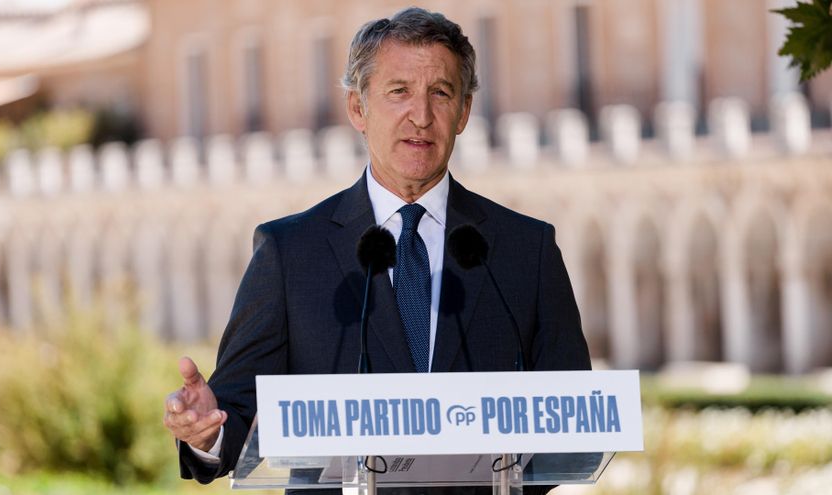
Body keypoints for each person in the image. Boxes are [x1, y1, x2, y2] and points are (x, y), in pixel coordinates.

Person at [164, 7, 591, 493]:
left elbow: (572, 421)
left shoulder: (526, 250)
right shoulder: (290, 254)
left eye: (441, 93)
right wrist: (208, 431)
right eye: (398, 92)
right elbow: (236, 411)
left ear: (464, 112)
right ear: (357, 108)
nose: (421, 116)